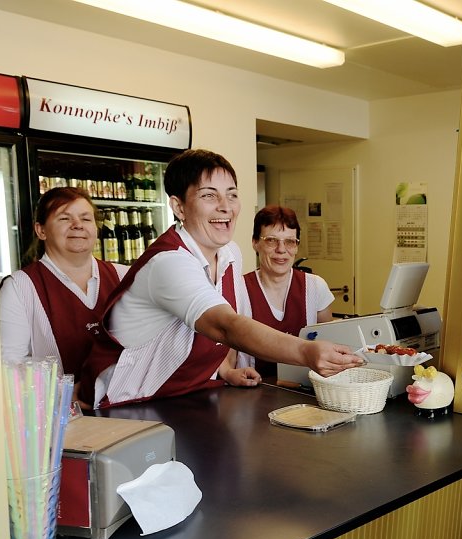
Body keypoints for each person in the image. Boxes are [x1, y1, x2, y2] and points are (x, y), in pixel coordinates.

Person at [79, 149, 362, 408]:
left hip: (183, 394)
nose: (225, 206)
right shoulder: (169, 263)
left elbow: (200, 340)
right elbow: (226, 326)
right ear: (179, 207)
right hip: (124, 404)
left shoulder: (229, 254)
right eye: (209, 195)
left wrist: (225, 370)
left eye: (232, 194)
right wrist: (306, 351)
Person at [0, 186, 128, 383]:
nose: (78, 225)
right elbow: (10, 366)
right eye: (65, 218)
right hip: (59, 412)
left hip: (126, 408)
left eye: (86, 219)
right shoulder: (19, 287)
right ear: (41, 230)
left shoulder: (123, 276)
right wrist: (63, 394)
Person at [244, 205, 334, 379]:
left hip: (305, 388)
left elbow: (327, 343)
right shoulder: (239, 288)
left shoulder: (315, 287)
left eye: (290, 241)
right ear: (255, 242)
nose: (281, 250)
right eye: (271, 240)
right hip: (253, 390)